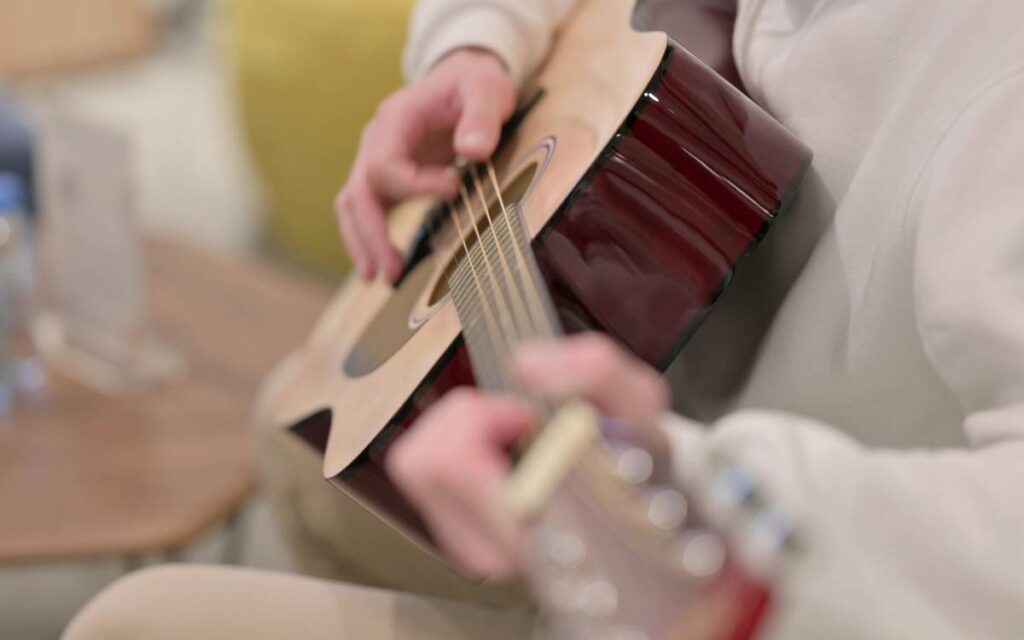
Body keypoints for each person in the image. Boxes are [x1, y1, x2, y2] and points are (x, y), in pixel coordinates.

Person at [65, 0, 1024, 638]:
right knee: (306, 434)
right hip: (619, 370)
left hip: (772, 569)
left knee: (136, 621)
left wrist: (715, 492)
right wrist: (478, 42)